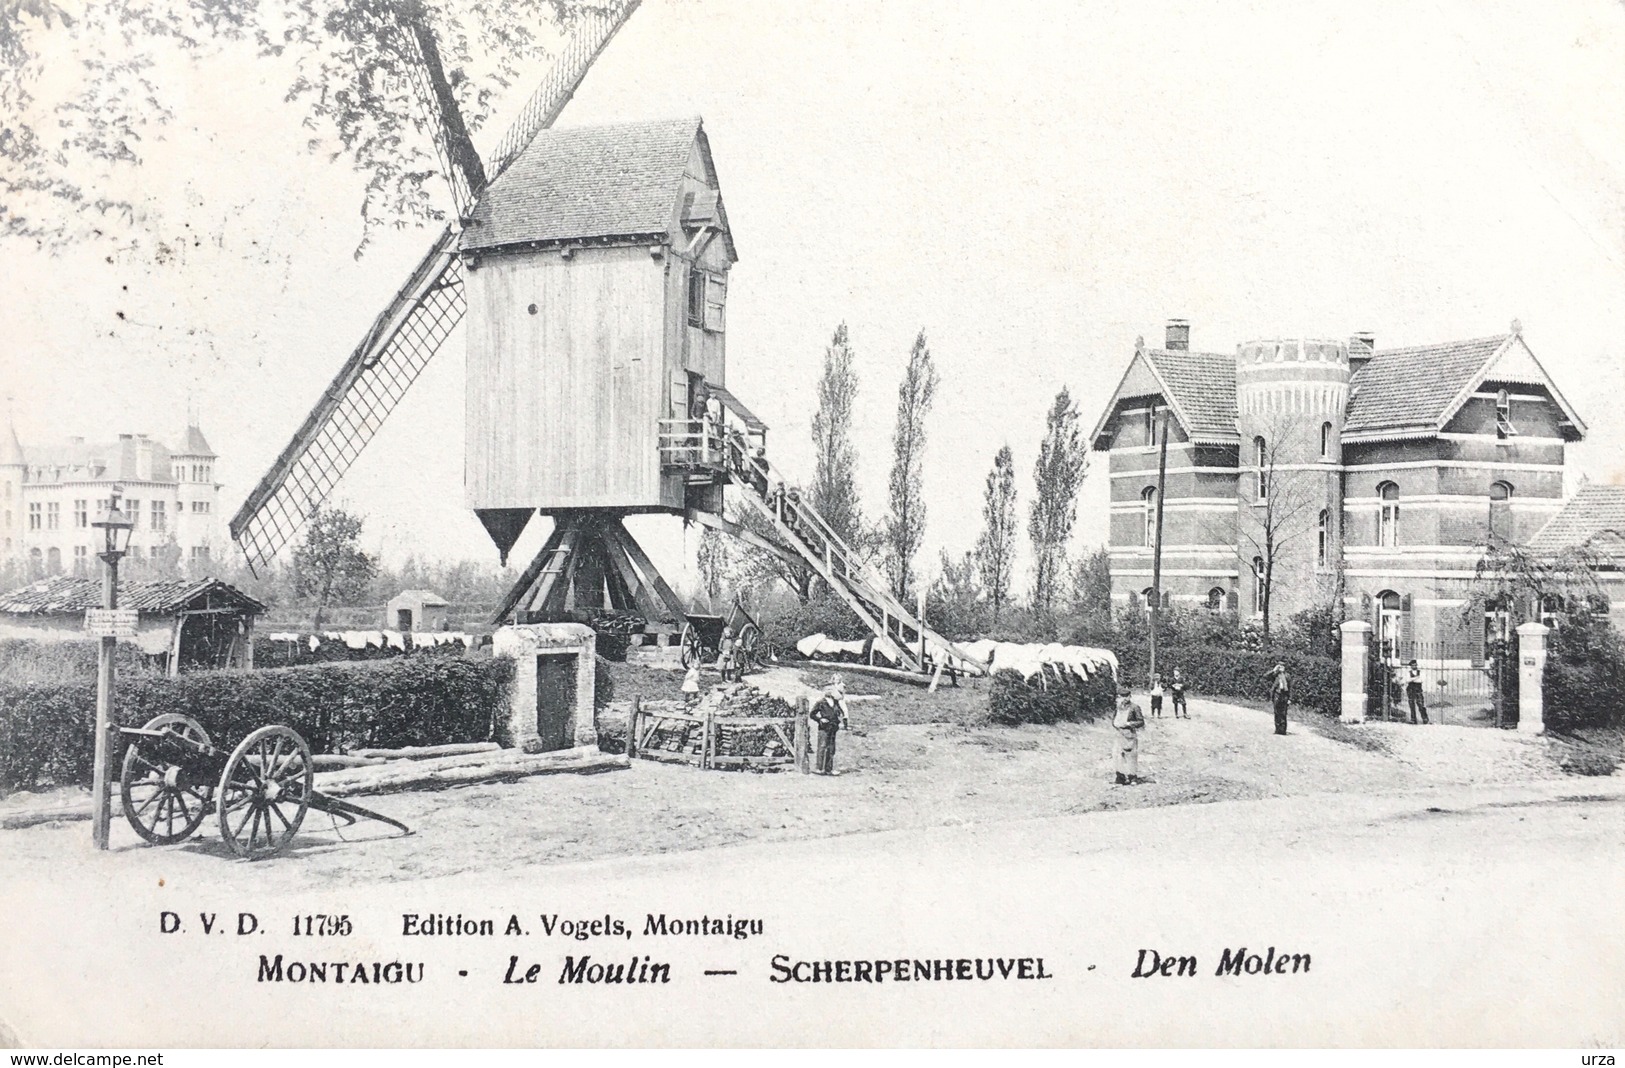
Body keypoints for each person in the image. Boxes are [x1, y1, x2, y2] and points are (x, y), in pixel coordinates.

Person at [809, 679, 851, 775]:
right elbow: (812, 714)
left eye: (831, 689)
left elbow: (840, 712)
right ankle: (819, 768)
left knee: (831, 748)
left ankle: (829, 769)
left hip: (833, 727)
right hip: (824, 727)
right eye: (827, 689)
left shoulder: (835, 702)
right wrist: (820, 719)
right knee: (822, 746)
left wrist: (840, 718)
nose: (829, 691)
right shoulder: (821, 702)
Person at [1112, 686, 1145, 785]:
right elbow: (1114, 718)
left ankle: (1132, 777)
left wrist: (1130, 724)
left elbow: (1141, 721)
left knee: (1131, 755)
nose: (1124, 699)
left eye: (1126, 696)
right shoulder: (1118, 707)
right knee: (1118, 755)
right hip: (1119, 734)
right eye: (1122, 696)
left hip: (1129, 734)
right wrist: (1115, 724)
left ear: (1129, 697)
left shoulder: (1134, 707)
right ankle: (1120, 776)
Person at [1266, 662, 1290, 735]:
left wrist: (1290, 699)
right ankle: (1277, 729)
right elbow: (1266, 676)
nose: (1281, 668)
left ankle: (1283, 730)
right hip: (1277, 694)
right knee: (1276, 712)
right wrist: (1274, 670)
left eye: (1283, 666)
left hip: (1284, 695)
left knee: (1283, 713)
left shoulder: (1287, 676)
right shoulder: (1275, 675)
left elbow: (1291, 687)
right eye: (1280, 666)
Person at [1405, 658, 1429, 725]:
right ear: (1411, 666)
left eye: (1415, 665)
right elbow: (1407, 680)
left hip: (1418, 690)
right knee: (1411, 705)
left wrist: (1412, 679)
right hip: (1410, 690)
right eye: (1413, 665)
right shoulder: (1408, 673)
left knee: (1420, 704)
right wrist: (1416, 678)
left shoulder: (1420, 672)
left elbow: (1421, 680)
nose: (1414, 666)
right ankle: (1413, 719)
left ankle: (1425, 718)